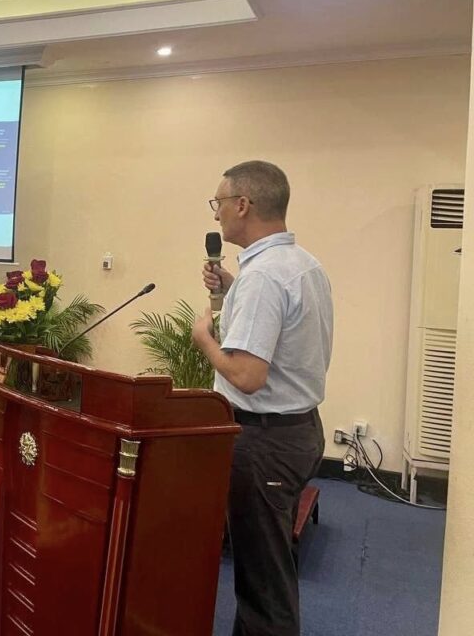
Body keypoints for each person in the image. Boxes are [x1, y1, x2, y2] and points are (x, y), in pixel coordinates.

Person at [191, 160, 333, 636]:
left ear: (243, 205)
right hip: (298, 432)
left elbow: (247, 376)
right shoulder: (301, 264)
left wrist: (205, 341)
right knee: (270, 564)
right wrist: (234, 289)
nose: (216, 214)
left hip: (264, 444)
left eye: (218, 202)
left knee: (263, 584)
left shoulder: (264, 277)